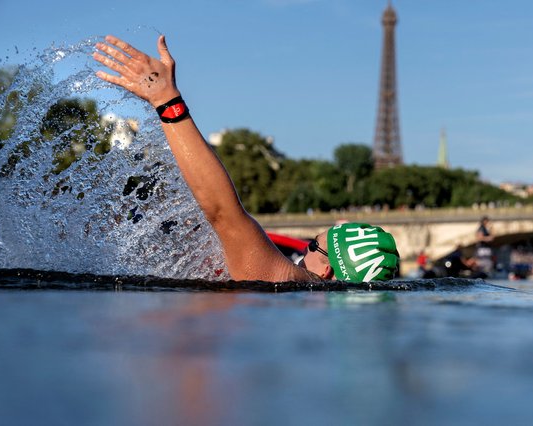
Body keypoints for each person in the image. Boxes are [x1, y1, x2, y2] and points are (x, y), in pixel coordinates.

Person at [92, 35, 399, 283]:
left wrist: (166, 100)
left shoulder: (290, 280)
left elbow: (224, 214)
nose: (305, 250)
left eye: (312, 245)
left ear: (327, 271)